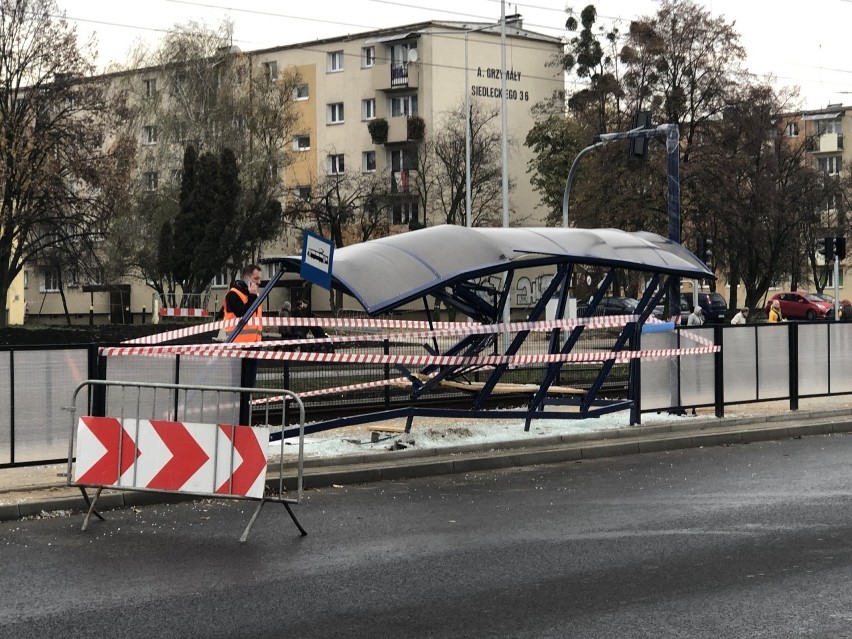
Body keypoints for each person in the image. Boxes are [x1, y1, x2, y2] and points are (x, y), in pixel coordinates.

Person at [222, 264, 264, 342]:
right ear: (246, 278)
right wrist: (252, 296)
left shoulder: (255, 295)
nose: (259, 282)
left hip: (255, 343)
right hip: (238, 343)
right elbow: (241, 313)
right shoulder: (232, 294)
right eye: (256, 278)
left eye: (259, 279)